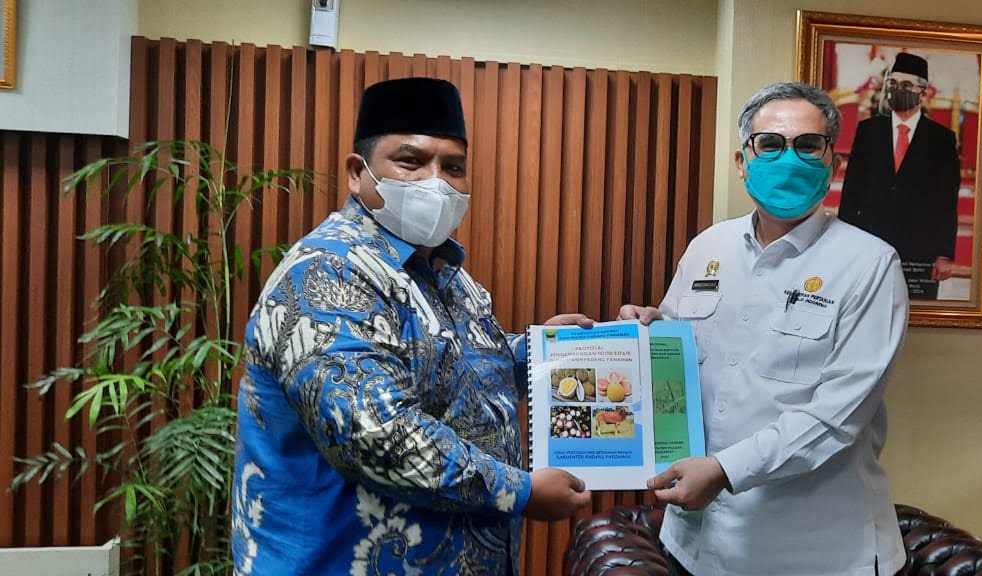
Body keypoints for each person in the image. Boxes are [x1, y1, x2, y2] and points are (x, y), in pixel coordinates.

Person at [230, 77, 593, 575]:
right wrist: (523, 492)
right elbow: (380, 435)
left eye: (453, 167)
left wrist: (550, 348)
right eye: (410, 161)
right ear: (357, 173)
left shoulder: (446, 274)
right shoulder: (327, 273)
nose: (435, 182)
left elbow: (458, 370)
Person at [619, 81, 909, 575]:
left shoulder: (870, 265)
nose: (788, 159)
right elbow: (681, 362)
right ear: (742, 161)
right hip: (693, 541)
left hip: (810, 553)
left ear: (833, 163)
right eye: (770, 144)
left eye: (808, 145)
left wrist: (725, 470)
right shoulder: (708, 247)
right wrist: (650, 331)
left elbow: (835, 417)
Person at [839, 52, 961, 300]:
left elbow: (947, 200)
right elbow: (852, 190)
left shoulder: (942, 139)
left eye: (906, 85)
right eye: (892, 83)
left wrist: (944, 253)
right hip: (870, 241)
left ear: (922, 91)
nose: (897, 90)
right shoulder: (868, 131)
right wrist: (844, 240)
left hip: (920, 248)